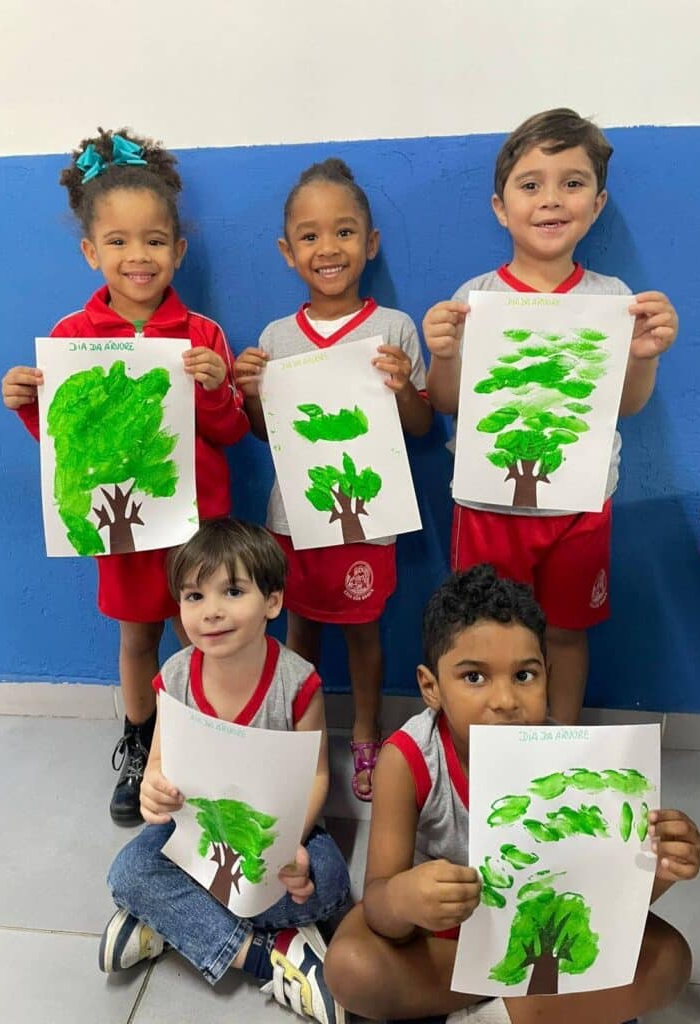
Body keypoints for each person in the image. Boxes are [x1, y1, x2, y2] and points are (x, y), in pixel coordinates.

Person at [323, 564, 700, 1023]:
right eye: (474, 677)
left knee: (669, 959)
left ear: (548, 675)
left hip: (542, 935)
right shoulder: (407, 760)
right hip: (443, 938)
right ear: (431, 687)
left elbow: (607, 908)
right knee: (350, 966)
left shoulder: (571, 761)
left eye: (524, 676)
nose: (505, 700)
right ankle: (533, 1006)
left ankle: (493, 1015)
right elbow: (381, 906)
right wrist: (407, 898)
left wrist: (660, 870)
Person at [1, 128, 248, 826]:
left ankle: (207, 743)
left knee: (206, 634)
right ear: (91, 251)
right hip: (124, 528)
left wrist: (215, 388)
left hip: (198, 527)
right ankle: (142, 746)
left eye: (154, 241)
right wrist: (30, 404)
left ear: (179, 250)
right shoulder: (72, 337)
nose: (137, 256)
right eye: (118, 241)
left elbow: (232, 432)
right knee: (138, 637)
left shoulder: (201, 333)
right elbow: (66, 446)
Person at [422, 108, 679, 725]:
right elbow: (447, 402)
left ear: (597, 203)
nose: (551, 199)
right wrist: (443, 354)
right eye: (531, 184)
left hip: (580, 506)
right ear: (500, 207)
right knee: (485, 633)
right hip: (488, 507)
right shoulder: (475, 298)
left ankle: (557, 744)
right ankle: (487, 747)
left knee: (566, 632)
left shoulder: (614, 299)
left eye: (573, 182)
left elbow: (627, 405)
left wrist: (644, 355)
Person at [234, 158, 432, 800]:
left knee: (363, 629)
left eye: (344, 232)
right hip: (292, 519)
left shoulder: (392, 328)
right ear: (288, 252)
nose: (328, 248)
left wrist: (403, 388)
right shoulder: (276, 337)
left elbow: (422, 425)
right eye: (310, 235)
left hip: (368, 520)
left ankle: (367, 728)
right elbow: (265, 434)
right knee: (300, 629)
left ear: (370, 244)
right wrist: (251, 393)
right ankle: (306, 737)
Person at [99, 519, 350, 1024]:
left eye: (232, 592)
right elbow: (158, 766)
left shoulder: (297, 683)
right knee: (128, 870)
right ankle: (267, 956)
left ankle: (168, 922)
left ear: (272, 602)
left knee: (329, 881)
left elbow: (317, 776)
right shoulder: (174, 678)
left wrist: (290, 846)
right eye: (194, 596)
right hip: (195, 837)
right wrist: (153, 792)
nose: (211, 611)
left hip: (273, 838)